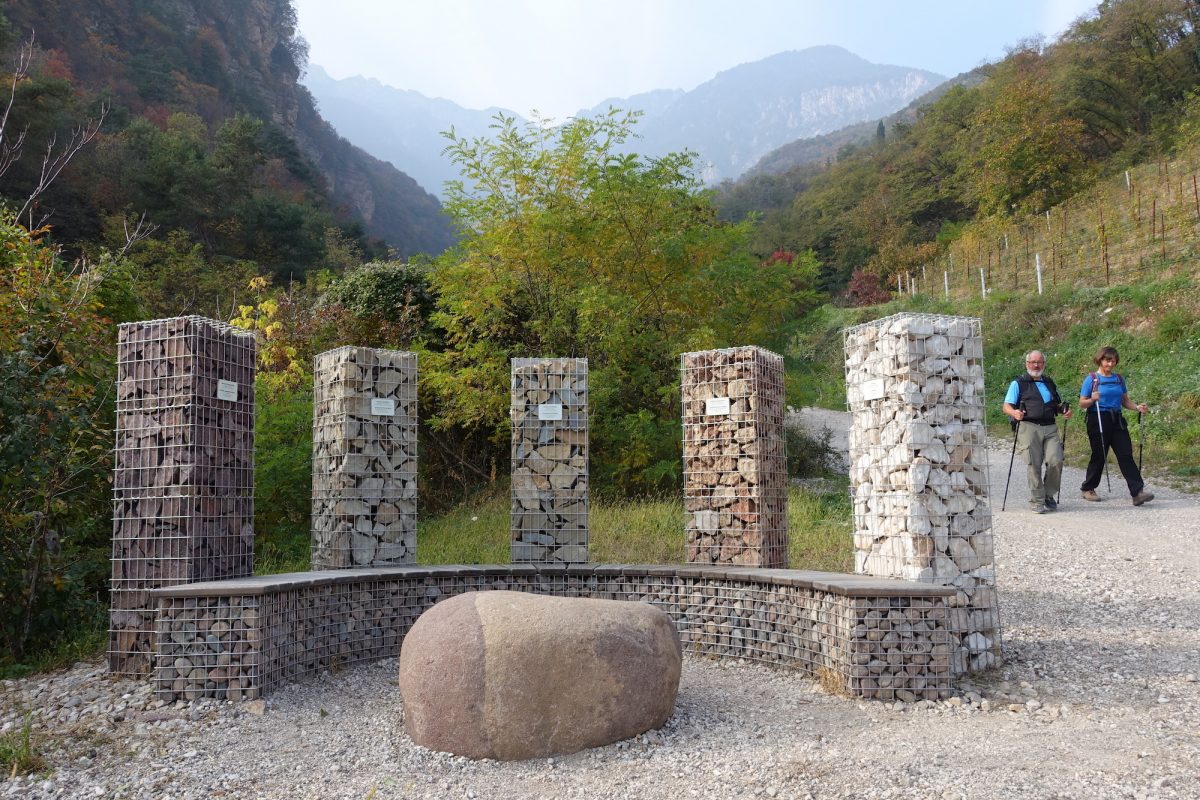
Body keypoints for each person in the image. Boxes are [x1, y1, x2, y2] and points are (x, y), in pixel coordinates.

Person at [1078, 346, 1153, 506]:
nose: (1110, 364)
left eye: (1113, 361)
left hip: (1116, 419)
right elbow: (1082, 403)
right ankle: (1088, 488)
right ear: (1100, 360)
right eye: (1107, 360)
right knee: (1099, 455)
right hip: (1098, 418)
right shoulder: (1091, 379)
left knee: (1125, 454)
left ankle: (1137, 492)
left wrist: (1137, 407)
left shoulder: (1119, 379)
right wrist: (1091, 399)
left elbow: (1125, 401)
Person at [1003, 351, 1073, 513]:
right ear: (1027, 364)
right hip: (1028, 427)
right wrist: (1014, 413)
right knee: (1033, 464)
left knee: (1057, 460)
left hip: (1050, 426)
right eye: (1033, 362)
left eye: (1039, 362)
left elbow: (1055, 404)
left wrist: (1064, 410)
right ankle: (1037, 501)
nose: (1036, 365)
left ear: (1044, 364)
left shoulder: (1049, 382)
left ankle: (1048, 495)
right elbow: (1006, 406)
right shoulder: (1018, 383)